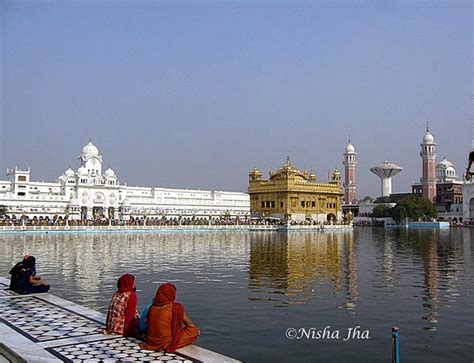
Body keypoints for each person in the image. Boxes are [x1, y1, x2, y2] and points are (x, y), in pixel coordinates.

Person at [140, 283, 200, 352]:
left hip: (152, 342)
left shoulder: (152, 307)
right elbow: (190, 325)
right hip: (166, 342)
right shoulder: (176, 307)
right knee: (194, 331)